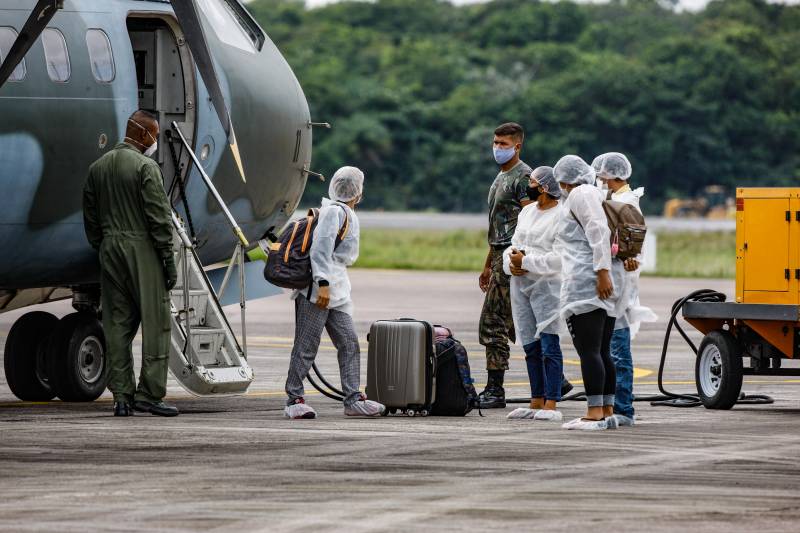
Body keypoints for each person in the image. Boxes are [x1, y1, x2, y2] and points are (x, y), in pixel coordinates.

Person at [82, 110, 178, 417]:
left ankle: (122, 396)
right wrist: (167, 260)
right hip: (142, 249)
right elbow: (159, 217)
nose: (154, 141)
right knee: (156, 321)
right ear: (142, 134)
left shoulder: (97, 168)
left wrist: (104, 245)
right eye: (154, 135)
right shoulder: (145, 167)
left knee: (117, 325)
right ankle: (149, 394)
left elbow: (90, 217)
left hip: (110, 249)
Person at [284, 166, 386, 419]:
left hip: (338, 290)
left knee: (349, 343)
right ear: (358, 192)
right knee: (306, 346)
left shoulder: (345, 213)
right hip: (320, 290)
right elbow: (320, 249)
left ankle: (353, 399)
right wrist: (322, 283)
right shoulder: (334, 212)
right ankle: (294, 399)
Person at [553, 155, 626, 431]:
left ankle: (594, 412)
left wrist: (602, 271)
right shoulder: (594, 193)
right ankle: (606, 410)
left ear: (565, 180)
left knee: (589, 351)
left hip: (586, 282)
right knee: (601, 350)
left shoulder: (580, 194)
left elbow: (597, 230)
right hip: (596, 280)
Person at [591, 152, 657, 427]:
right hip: (613, 284)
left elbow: (632, 248)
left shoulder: (626, 203)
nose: (598, 179)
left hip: (620, 286)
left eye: (601, 175)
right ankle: (615, 403)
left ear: (611, 175)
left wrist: (630, 259)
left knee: (618, 347)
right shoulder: (613, 198)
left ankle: (623, 407)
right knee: (609, 346)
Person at [503, 167, 566, 422]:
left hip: (547, 287)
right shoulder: (527, 212)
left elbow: (559, 258)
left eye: (532, 182)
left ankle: (551, 402)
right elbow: (514, 244)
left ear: (544, 187)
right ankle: (536, 400)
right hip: (520, 284)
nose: (528, 185)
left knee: (549, 344)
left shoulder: (561, 216)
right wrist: (511, 263)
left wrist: (527, 262)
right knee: (530, 345)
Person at [477, 122, 530, 409]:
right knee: (514, 322)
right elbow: (498, 226)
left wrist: (522, 258)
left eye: (503, 144)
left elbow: (533, 220)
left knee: (492, 323)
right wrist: (488, 265)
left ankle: (495, 389)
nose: (497, 148)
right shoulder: (500, 177)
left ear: (517, 146)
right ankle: (556, 378)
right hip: (499, 255)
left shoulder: (523, 177)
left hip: (512, 257)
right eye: (495, 142)